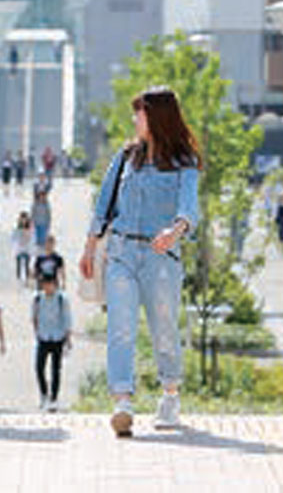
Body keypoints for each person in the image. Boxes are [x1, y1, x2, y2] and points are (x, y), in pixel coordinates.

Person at [81, 86, 201, 437]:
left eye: (140, 113)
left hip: (160, 256)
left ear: (158, 117)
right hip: (120, 253)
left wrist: (175, 231)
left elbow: (189, 206)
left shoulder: (184, 161)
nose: (135, 119)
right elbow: (103, 204)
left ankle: (169, 394)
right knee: (120, 327)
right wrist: (89, 250)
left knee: (163, 327)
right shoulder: (126, 156)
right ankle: (122, 402)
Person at [32, 274, 72, 412]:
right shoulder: (37, 298)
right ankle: (44, 394)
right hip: (43, 336)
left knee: (56, 369)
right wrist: (36, 333)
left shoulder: (62, 299)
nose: (48, 287)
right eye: (45, 284)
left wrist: (68, 339)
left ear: (55, 284)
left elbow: (67, 318)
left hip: (57, 337)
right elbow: (34, 317)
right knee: (39, 367)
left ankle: (54, 398)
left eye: (51, 284)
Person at [12, 212, 33, 284]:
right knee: (18, 266)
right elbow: (14, 238)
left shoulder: (30, 229)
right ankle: (18, 280)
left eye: (25, 219)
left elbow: (31, 238)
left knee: (27, 265)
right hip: (19, 250)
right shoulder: (17, 229)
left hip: (27, 250)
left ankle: (27, 280)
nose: (23, 221)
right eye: (22, 219)